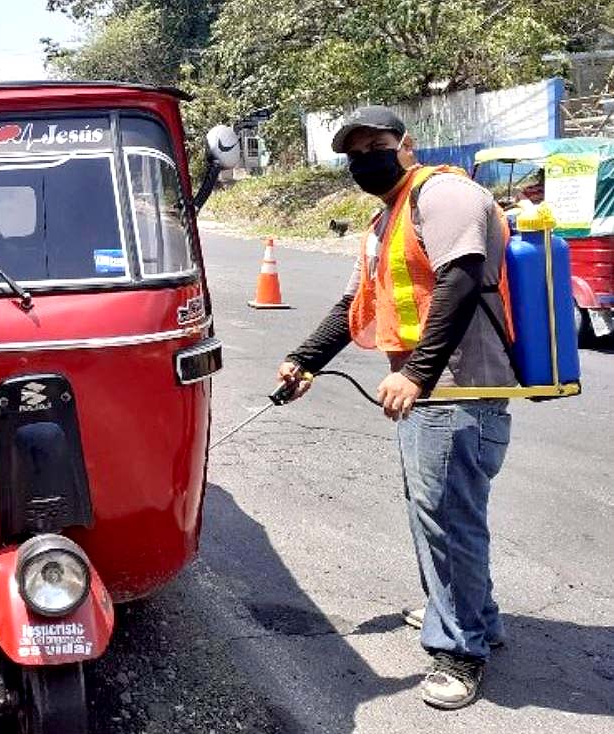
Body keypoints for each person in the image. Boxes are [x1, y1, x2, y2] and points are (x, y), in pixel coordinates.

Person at [277, 106, 516, 710]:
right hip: (428, 392)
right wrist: (304, 359)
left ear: (405, 143)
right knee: (439, 512)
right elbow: (357, 302)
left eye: (374, 145)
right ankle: (471, 611)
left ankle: (460, 651)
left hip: (457, 388)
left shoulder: (445, 196)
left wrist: (416, 371)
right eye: (353, 154)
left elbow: (461, 280)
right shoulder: (390, 218)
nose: (364, 160)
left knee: (447, 517)